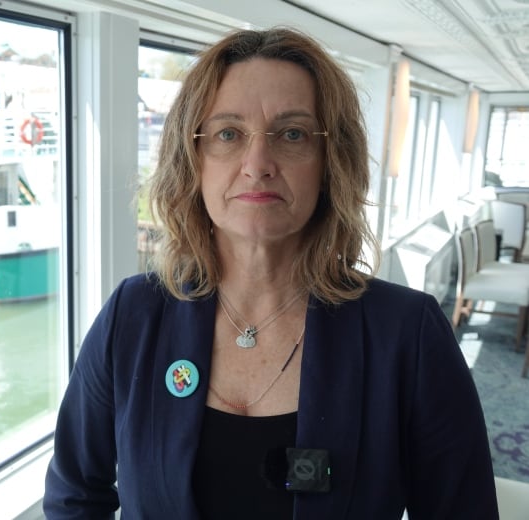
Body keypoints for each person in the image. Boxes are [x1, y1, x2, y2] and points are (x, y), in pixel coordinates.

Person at [44, 27, 498, 519]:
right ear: (193, 160)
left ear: (330, 163)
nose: (257, 164)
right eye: (228, 134)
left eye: (293, 134)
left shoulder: (407, 333)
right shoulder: (132, 315)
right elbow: (75, 495)